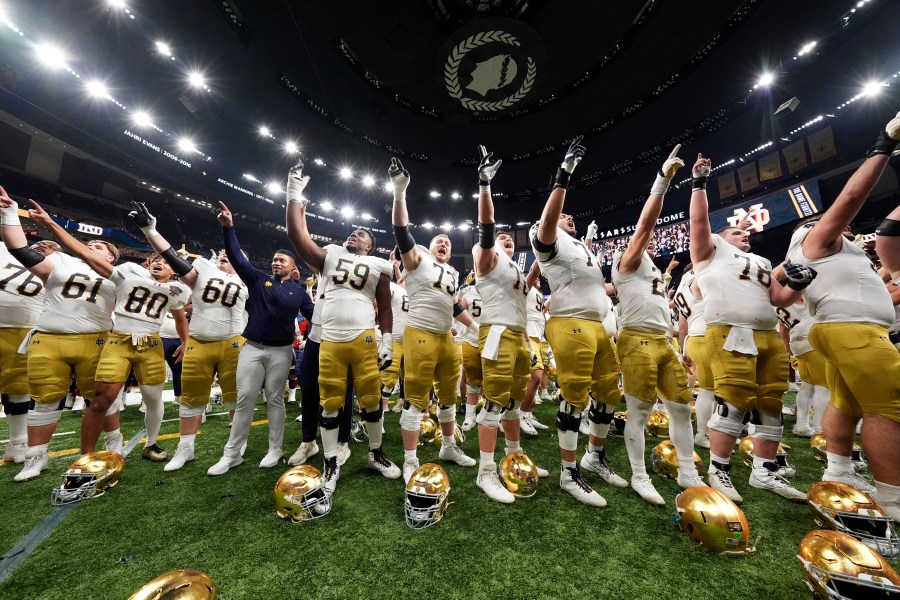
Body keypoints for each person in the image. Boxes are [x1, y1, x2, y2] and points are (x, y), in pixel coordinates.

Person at [785, 111, 900, 520]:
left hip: (840, 330)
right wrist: (882, 147)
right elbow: (849, 201)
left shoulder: (823, 254)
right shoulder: (819, 240)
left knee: (847, 404)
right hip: (852, 331)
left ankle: (840, 470)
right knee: (889, 408)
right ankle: (892, 497)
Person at [688, 152, 811, 503]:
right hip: (730, 330)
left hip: (767, 334)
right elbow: (698, 224)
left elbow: (778, 298)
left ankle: (764, 469)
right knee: (732, 399)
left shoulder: (760, 260)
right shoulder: (710, 252)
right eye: (736, 231)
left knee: (771, 401)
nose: (744, 233)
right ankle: (719, 469)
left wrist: (798, 284)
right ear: (720, 238)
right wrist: (699, 184)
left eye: (745, 231)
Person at [29, 202, 190, 462]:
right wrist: (50, 224)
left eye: (165, 261)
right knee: (100, 399)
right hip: (119, 342)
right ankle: (86, 457)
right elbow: (86, 255)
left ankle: (151, 443)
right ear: (148, 263)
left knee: (153, 399)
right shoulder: (127, 273)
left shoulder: (178, 290)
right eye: (155, 260)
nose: (159, 263)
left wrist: (186, 341)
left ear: (173, 269)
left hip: (151, 344)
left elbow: (181, 317)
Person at [285, 162, 400, 494]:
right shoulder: (331, 254)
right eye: (353, 231)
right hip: (331, 338)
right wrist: (293, 192)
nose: (355, 233)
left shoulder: (379, 265)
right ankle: (332, 460)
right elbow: (296, 235)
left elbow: (386, 306)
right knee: (331, 402)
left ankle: (376, 454)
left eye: (362, 234)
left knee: (371, 400)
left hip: (364, 337)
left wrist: (388, 341)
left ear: (370, 246)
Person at [530, 137, 627, 506]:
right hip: (570, 323)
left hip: (598, 325)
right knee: (574, 397)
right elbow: (548, 221)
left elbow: (595, 285)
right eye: (564, 216)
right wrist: (564, 175)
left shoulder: (583, 248)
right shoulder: (551, 241)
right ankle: (568, 472)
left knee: (607, 394)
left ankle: (594, 455)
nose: (569, 217)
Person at [0, 190, 119, 481]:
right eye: (90, 244)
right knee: (44, 400)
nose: (93, 247)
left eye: (101, 247)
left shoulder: (119, 273)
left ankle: (113, 440)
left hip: (96, 338)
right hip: (50, 338)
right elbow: (19, 249)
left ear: (113, 256)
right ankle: (35, 457)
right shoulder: (60, 262)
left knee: (100, 399)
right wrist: (9, 213)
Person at [612, 145, 706, 505]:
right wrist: (662, 181)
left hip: (663, 341)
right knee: (638, 410)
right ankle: (639, 474)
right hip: (636, 340)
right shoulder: (628, 260)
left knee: (681, 407)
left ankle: (687, 470)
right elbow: (646, 226)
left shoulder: (650, 268)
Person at [128, 202, 249, 471]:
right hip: (199, 343)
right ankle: (186, 449)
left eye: (231, 256)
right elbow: (173, 258)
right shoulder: (202, 272)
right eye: (222, 255)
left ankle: (235, 447)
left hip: (233, 343)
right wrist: (151, 231)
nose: (224, 257)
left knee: (234, 399)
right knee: (191, 399)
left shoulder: (247, 281)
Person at [207, 201, 315, 475]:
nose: (276, 262)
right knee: (245, 399)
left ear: (293, 269)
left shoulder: (300, 293)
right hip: (252, 348)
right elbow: (236, 257)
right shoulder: (258, 279)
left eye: (283, 260)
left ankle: (275, 449)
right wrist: (229, 228)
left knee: (276, 400)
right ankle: (232, 454)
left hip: (281, 352)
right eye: (275, 259)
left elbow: (317, 317)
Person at [389, 157, 478, 483]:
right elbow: (401, 231)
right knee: (416, 397)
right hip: (421, 334)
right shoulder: (417, 259)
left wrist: (477, 327)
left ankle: (449, 446)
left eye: (448, 241)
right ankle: (410, 459)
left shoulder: (452, 272)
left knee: (448, 396)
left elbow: (456, 308)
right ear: (428, 246)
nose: (444, 242)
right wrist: (400, 193)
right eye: (439, 239)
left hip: (446, 338)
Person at [471, 145, 548, 503]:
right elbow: (487, 227)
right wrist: (485, 186)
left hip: (519, 335)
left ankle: (513, 458)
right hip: (498, 332)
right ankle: (485, 472)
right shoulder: (486, 256)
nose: (505, 239)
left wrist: (540, 251)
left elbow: (530, 281)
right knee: (494, 403)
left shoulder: (514, 268)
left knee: (515, 403)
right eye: (501, 238)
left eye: (508, 238)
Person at [0, 237, 50, 463]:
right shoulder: (5, 251)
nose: (42, 245)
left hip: (23, 328)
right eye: (39, 243)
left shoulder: (59, 269)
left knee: (17, 386)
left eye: (50, 246)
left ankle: (18, 441)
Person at [673, 264, 715, 449]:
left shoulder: (683, 289)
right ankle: (704, 433)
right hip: (707, 335)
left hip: (693, 336)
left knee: (711, 388)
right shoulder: (700, 280)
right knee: (710, 389)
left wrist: (684, 351)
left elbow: (683, 328)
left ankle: (709, 431)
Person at [775, 300, 830, 437]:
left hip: (797, 342)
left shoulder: (781, 301)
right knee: (823, 386)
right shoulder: (804, 294)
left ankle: (802, 425)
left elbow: (783, 330)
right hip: (812, 341)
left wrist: (790, 351)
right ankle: (820, 430)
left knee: (807, 385)